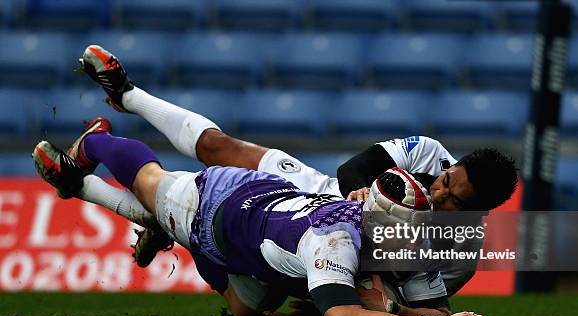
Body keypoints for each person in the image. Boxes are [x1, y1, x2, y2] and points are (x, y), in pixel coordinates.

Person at [77, 45, 519, 297]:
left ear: (475, 213)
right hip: (314, 195)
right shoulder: (429, 153)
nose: (441, 193)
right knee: (217, 147)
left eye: (454, 200)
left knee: (244, 293)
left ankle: (161, 222)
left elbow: (413, 295)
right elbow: (355, 169)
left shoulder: (460, 252)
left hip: (337, 256)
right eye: (445, 182)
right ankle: (128, 95)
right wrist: (362, 194)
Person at [33, 129, 485, 316]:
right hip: (217, 207)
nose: (408, 243)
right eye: (403, 233)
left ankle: (82, 186)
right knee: (150, 181)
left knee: (248, 314)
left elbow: (407, 303)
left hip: (260, 228)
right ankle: (95, 143)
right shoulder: (335, 241)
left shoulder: (373, 230)